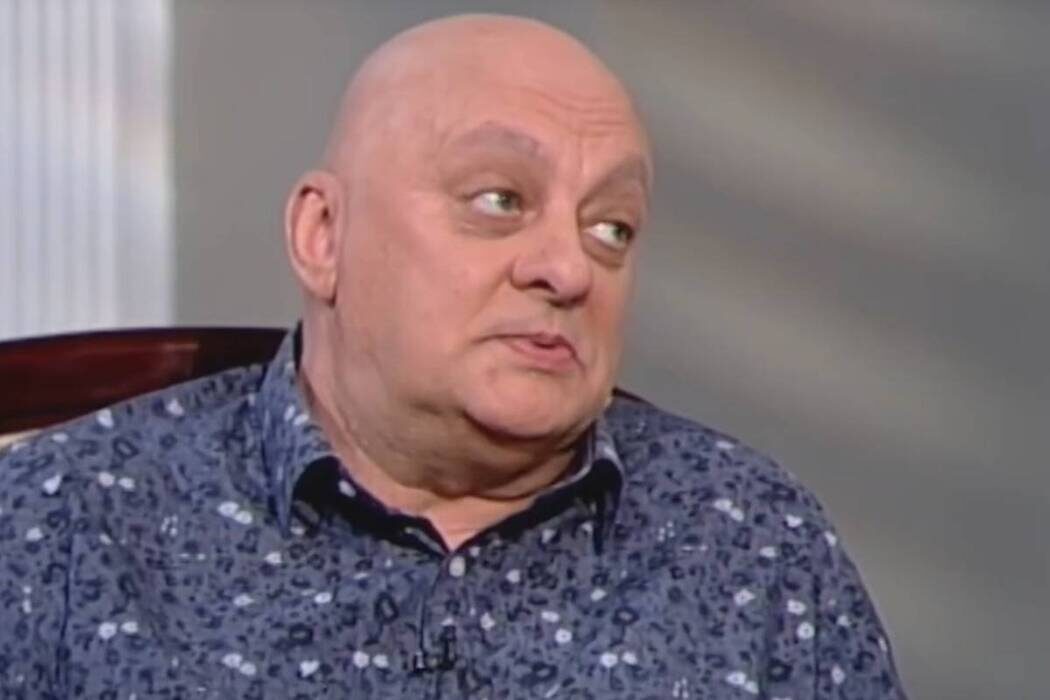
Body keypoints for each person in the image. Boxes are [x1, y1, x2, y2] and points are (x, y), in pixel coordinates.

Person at [0, 14, 907, 699]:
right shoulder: (65, 524)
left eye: (611, 228)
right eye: (500, 200)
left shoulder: (749, 542)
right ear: (324, 235)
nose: (568, 270)